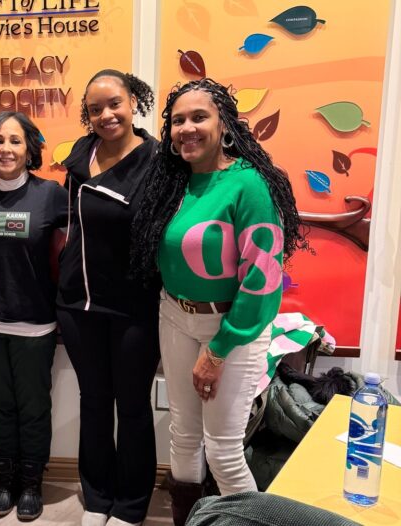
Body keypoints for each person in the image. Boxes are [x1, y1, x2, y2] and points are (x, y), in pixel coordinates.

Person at [130, 78, 307, 526]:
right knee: (183, 437)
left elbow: (262, 281)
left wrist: (217, 350)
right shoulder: (172, 184)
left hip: (231, 327)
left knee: (224, 449)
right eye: (177, 120)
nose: (186, 128)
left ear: (225, 124)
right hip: (174, 315)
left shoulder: (248, 186)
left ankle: (249, 521)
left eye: (199, 117)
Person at [56, 69, 161, 526]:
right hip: (78, 304)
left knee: (132, 405)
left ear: (133, 102)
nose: (106, 114)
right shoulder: (82, 153)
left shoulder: (158, 161)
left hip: (133, 305)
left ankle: (131, 505)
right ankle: (97, 498)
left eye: (114, 103)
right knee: (93, 401)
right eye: (96, 108)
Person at [0, 111, 68, 521]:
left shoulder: (51, 194)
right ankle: (4, 480)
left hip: (36, 321)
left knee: (34, 407)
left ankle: (31, 483)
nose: (6, 148)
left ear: (29, 149)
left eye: (15, 141)